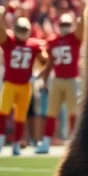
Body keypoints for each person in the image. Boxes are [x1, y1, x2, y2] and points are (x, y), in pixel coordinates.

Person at [0, 10, 50, 156]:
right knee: (3, 112)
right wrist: (3, 14)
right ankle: (2, 140)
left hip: (25, 85)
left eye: (24, 29)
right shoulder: (9, 41)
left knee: (20, 117)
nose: (22, 32)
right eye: (20, 29)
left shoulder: (33, 45)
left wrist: (39, 69)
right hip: (10, 83)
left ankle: (16, 144)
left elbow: (44, 60)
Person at [36, 13, 84, 154]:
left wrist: (81, 15)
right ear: (58, 25)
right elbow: (50, 63)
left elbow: (82, 27)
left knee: (73, 112)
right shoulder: (53, 40)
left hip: (72, 80)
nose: (64, 27)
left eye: (67, 25)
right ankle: (46, 141)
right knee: (51, 112)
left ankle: (75, 143)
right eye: (63, 24)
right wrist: (44, 80)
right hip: (57, 80)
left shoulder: (74, 38)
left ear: (71, 25)